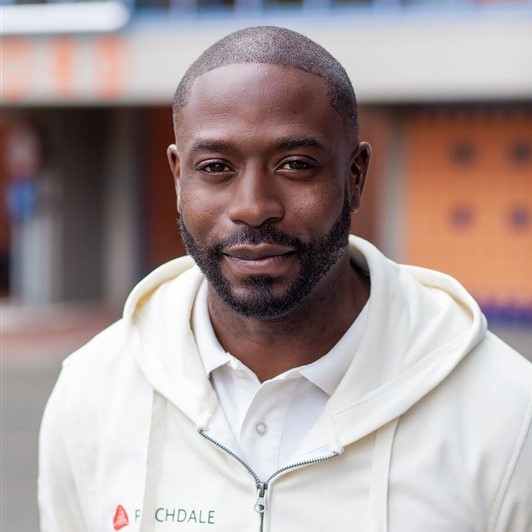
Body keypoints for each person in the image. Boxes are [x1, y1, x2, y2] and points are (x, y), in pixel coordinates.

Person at [39, 26, 532, 532]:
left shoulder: (506, 412)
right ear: (178, 178)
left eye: (295, 165)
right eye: (216, 167)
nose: (253, 207)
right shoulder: (92, 392)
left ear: (355, 176)